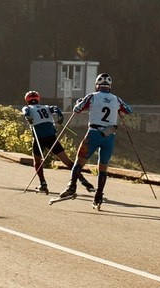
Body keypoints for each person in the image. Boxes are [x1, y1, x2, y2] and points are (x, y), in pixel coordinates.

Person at [54, 73, 134, 208]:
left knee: (79, 162)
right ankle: (98, 196)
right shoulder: (116, 99)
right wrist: (120, 112)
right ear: (110, 86)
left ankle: (72, 187)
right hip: (109, 136)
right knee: (103, 167)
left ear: (97, 85)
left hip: (93, 134)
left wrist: (79, 102)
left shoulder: (92, 96)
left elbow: (77, 109)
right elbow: (128, 110)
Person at [20, 90, 93, 195]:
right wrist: (60, 116)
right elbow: (55, 108)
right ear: (38, 99)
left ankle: (43, 183)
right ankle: (82, 179)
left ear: (27, 100)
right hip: (51, 137)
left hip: (39, 138)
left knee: (37, 161)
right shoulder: (46, 107)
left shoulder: (28, 108)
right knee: (66, 160)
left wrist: (28, 117)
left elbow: (25, 111)